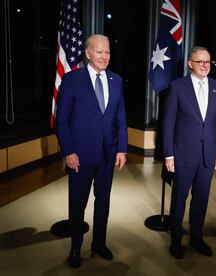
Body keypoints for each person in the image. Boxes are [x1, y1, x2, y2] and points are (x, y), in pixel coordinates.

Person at [56, 34, 128, 268]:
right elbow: (62, 120)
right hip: (80, 156)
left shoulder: (116, 80)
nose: (105, 57)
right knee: (77, 204)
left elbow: (120, 119)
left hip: (108, 155)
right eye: (99, 52)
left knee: (103, 202)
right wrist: (69, 151)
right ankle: (76, 248)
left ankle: (99, 243)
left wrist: (122, 149)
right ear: (88, 53)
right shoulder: (72, 80)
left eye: (107, 52)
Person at [162, 46, 216, 259]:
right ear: (190, 63)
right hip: (182, 154)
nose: (205, 65)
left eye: (208, 62)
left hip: (208, 155)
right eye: (200, 62)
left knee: (201, 199)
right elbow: (168, 123)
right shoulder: (177, 87)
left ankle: (197, 238)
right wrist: (168, 155)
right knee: (179, 198)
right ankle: (175, 240)